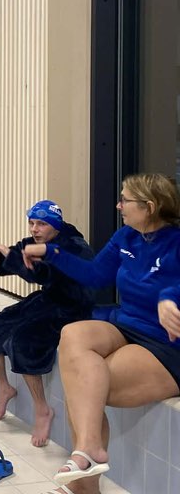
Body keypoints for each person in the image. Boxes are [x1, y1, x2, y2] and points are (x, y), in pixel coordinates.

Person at [22, 174, 180, 491]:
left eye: (125, 200)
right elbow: (95, 275)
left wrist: (170, 297)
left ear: (149, 207)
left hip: (164, 343)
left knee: (85, 386)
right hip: (127, 324)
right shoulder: (126, 236)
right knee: (73, 334)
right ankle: (89, 451)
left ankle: (84, 482)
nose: (119, 205)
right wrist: (50, 252)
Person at [0, 201, 94, 447]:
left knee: (22, 341)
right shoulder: (35, 241)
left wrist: (9, 255)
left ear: (55, 226)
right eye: (31, 223)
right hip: (48, 300)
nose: (34, 229)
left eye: (41, 224)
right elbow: (13, 261)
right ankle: (4, 388)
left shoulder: (73, 246)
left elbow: (39, 273)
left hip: (73, 308)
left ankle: (42, 409)